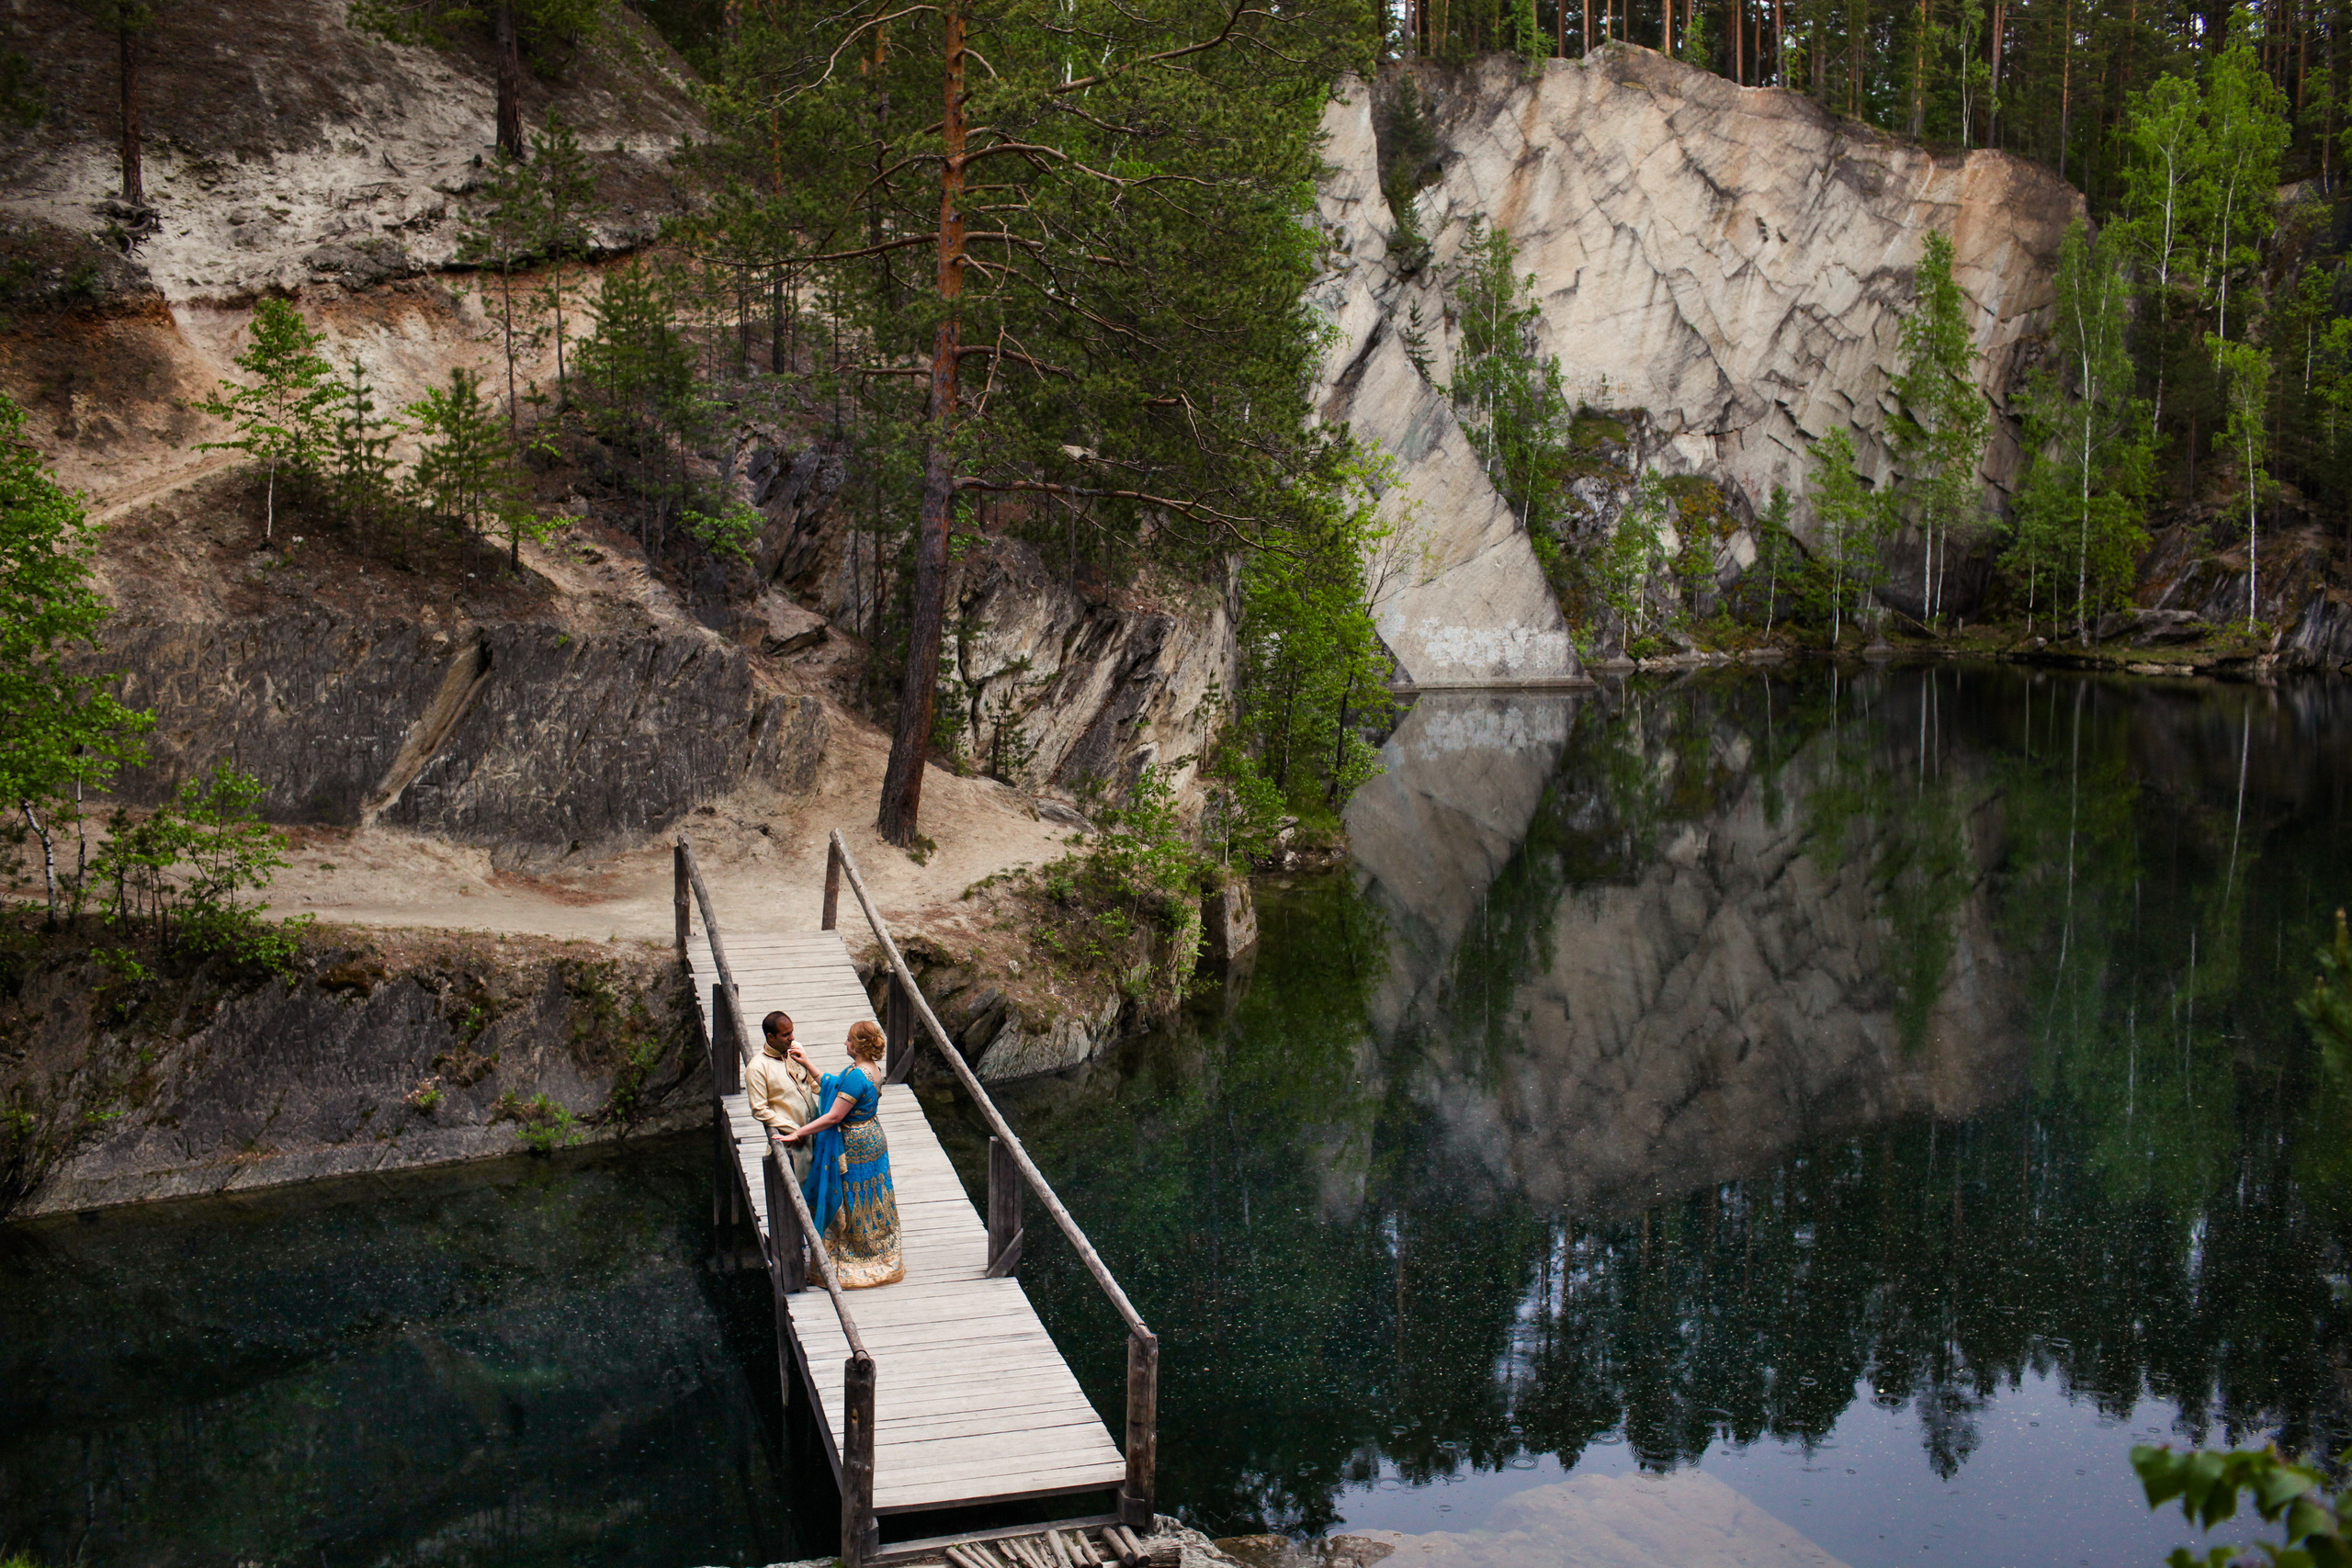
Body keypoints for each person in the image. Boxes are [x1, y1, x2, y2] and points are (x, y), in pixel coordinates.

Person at [780, 1019, 903, 1289]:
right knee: (872, 1194)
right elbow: (836, 1085)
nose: (845, 1043)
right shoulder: (870, 1069)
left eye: (849, 1039)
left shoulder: (858, 1075)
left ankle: (854, 1259)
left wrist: (799, 1133)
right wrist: (808, 1064)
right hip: (873, 1136)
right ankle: (879, 1250)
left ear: (859, 1045)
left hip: (855, 1144)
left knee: (850, 1194)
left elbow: (833, 1117)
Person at [746, 1010, 820, 1181]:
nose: (791, 1038)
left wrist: (840, 1092)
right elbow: (759, 1109)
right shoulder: (758, 1068)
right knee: (798, 1189)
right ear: (770, 1037)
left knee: (822, 1186)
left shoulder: (797, 1049)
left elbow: (813, 1083)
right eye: (785, 1034)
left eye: (792, 1032)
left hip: (816, 1132)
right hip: (791, 1142)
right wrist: (793, 1129)